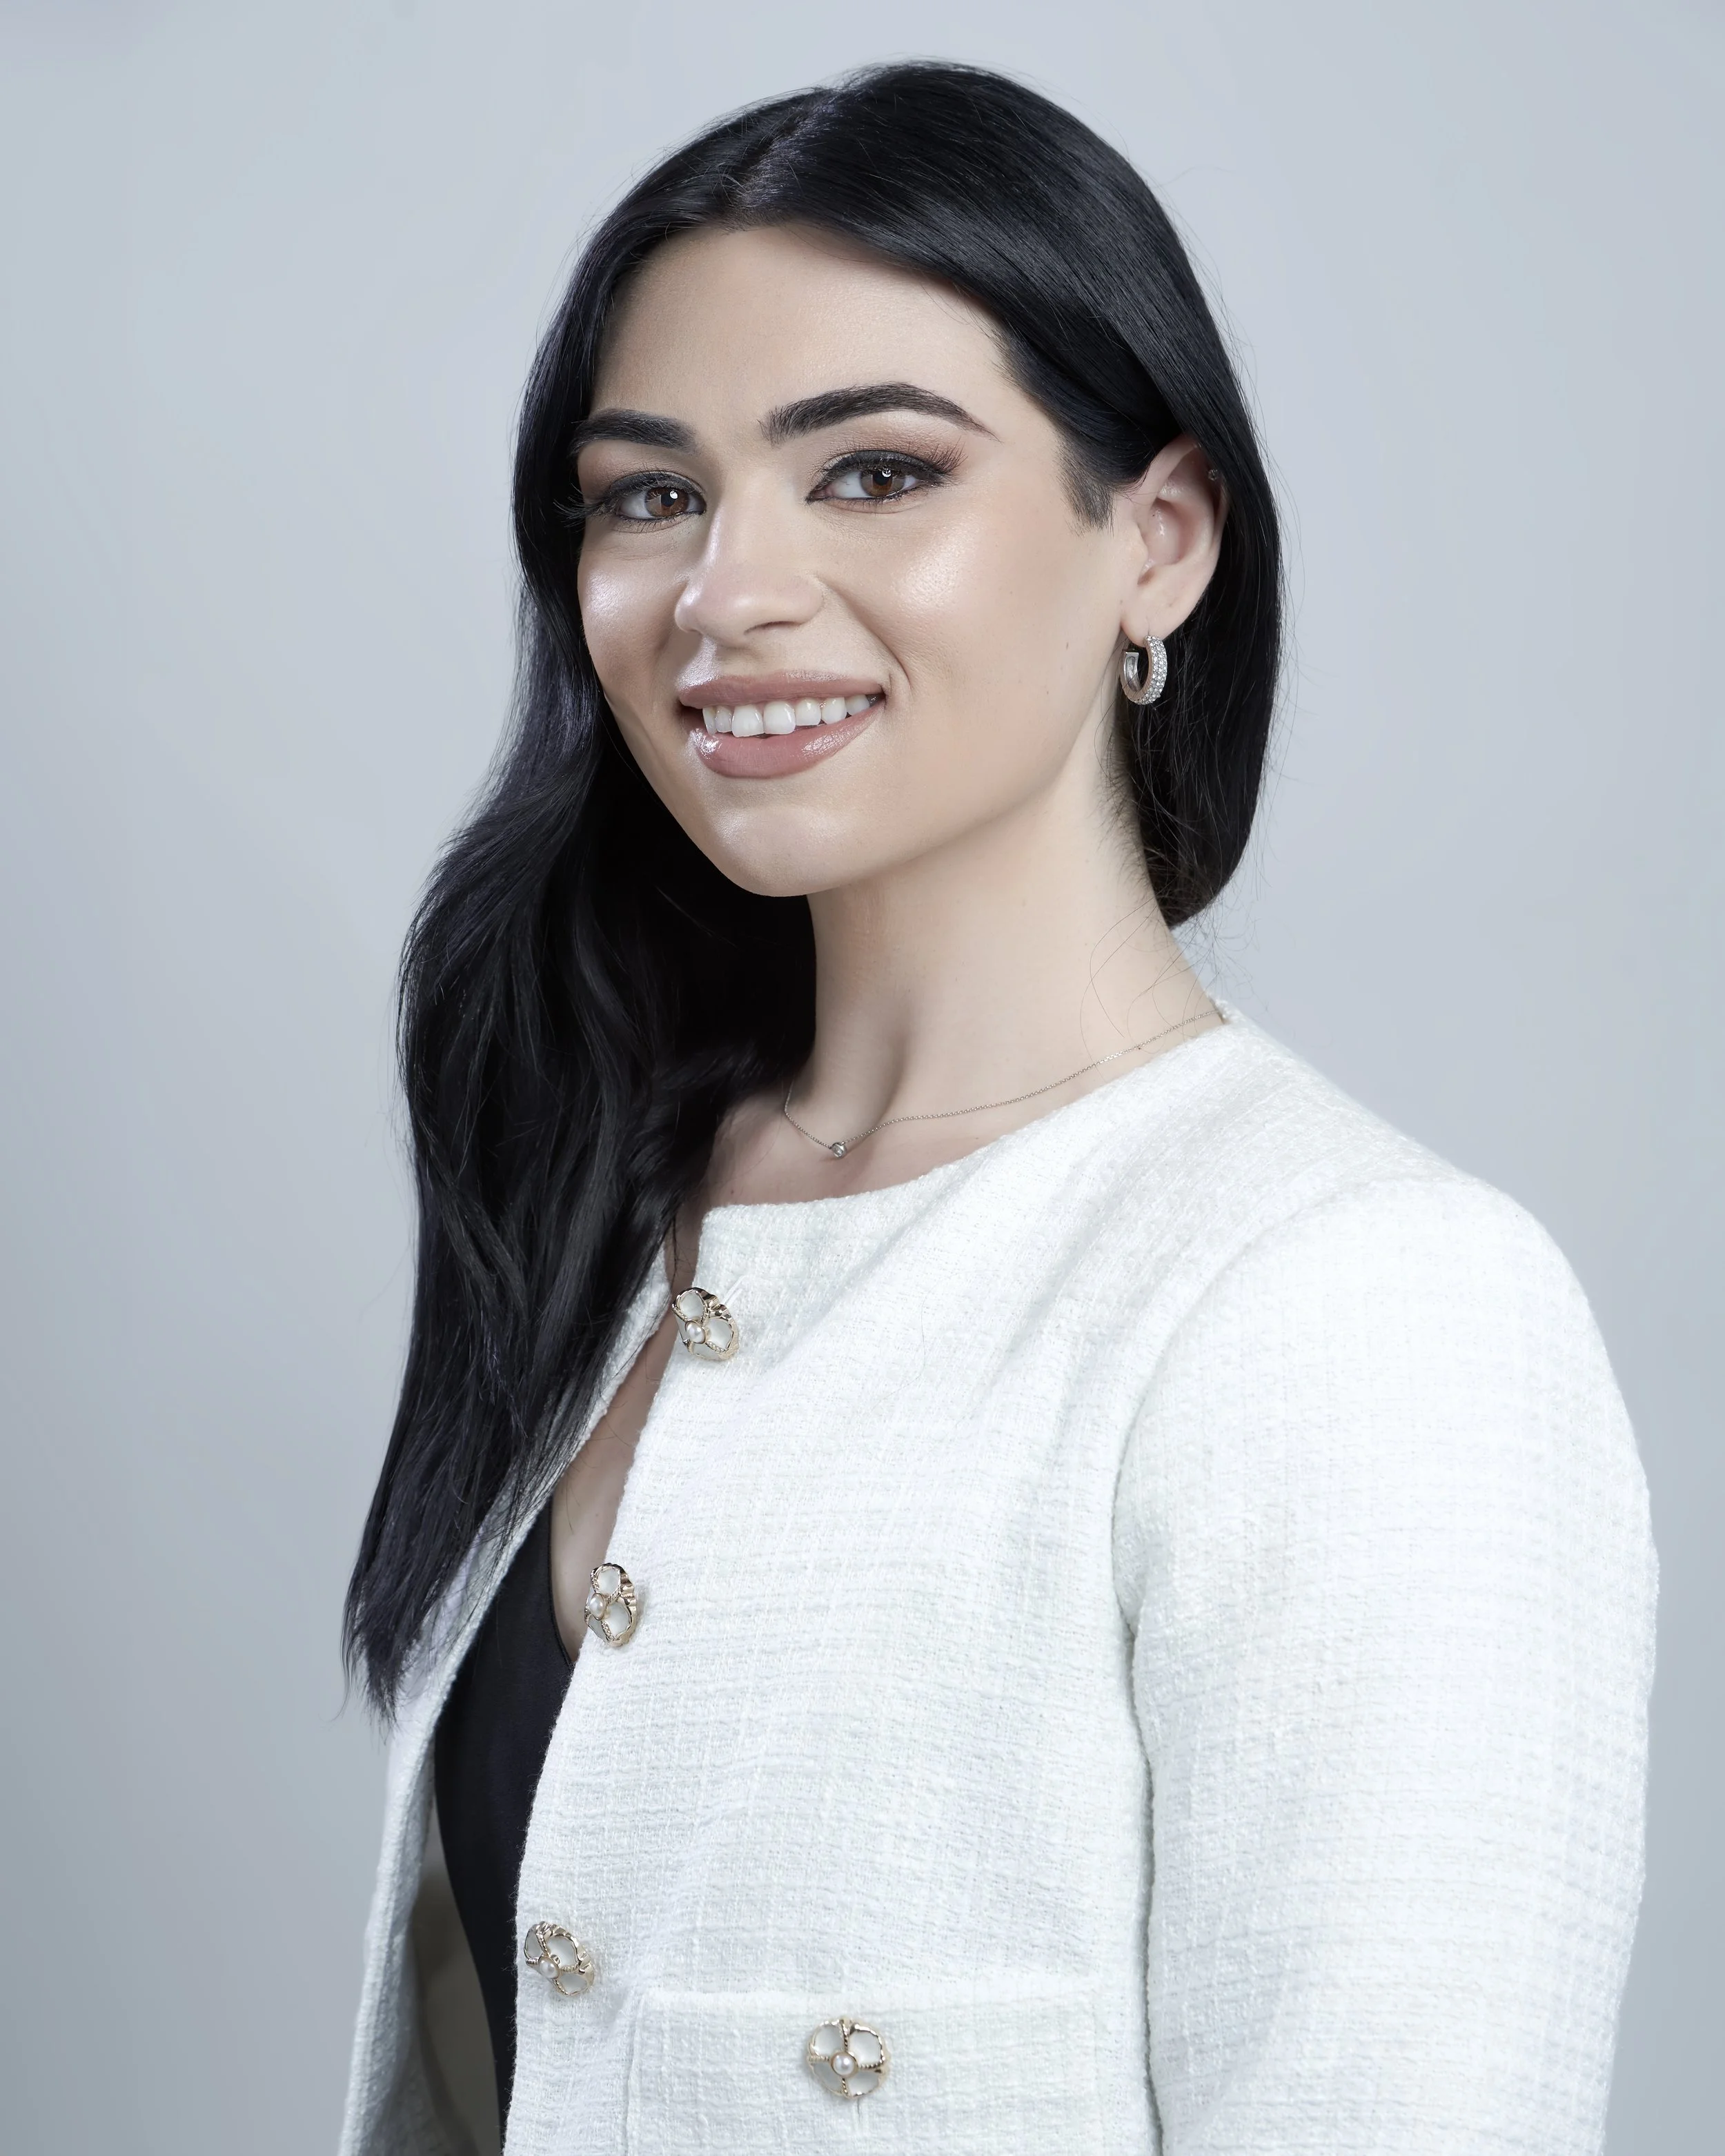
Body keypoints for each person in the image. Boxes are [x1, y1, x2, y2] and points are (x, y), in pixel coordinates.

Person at [338, 61, 1655, 2156]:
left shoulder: (1359, 1305)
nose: (724, 593)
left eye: (873, 472)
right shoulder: (605, 1198)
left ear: (1159, 540)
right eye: (646, 496)